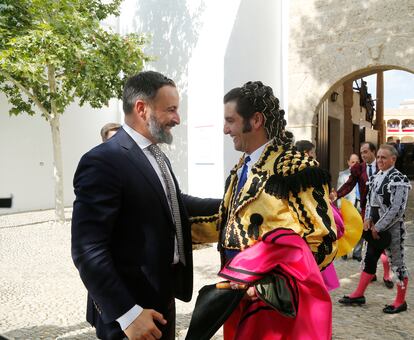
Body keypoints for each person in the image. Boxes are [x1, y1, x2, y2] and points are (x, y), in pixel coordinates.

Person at [71, 71, 219, 340]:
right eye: (171, 109)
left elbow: (175, 202)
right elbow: (88, 249)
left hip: (162, 301)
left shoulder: (155, 154)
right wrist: (127, 314)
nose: (177, 118)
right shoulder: (103, 161)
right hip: (131, 313)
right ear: (142, 108)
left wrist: (232, 203)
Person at [194, 81, 337, 339]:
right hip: (238, 296)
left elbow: (323, 240)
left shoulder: (294, 167)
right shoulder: (242, 167)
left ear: (256, 120)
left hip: (274, 305)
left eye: (231, 121)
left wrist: (269, 286)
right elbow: (228, 226)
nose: (225, 129)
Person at [338, 144, 411, 313]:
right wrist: (368, 219)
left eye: (383, 157)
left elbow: (397, 209)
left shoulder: (399, 179)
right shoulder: (377, 177)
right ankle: (359, 294)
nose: (379, 160)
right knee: (370, 259)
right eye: (378, 157)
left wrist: (378, 226)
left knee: (398, 264)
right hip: (374, 229)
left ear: (393, 159)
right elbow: (370, 201)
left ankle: (400, 301)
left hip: (392, 230)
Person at [331, 142, 392, 286]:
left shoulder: (383, 165)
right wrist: (337, 195)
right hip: (367, 211)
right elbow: (349, 185)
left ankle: (387, 275)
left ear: (373, 152)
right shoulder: (358, 169)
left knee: (383, 242)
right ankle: (370, 273)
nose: (363, 155)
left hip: (383, 211)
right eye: (361, 152)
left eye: (366, 152)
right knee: (369, 242)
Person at [336, 153, 361, 260]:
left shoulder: (363, 173)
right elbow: (339, 191)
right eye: (353, 162)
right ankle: (345, 251)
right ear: (348, 162)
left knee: (360, 228)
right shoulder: (343, 175)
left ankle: (357, 252)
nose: (355, 164)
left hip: (360, 203)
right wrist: (340, 208)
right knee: (346, 229)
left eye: (357, 162)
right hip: (347, 205)